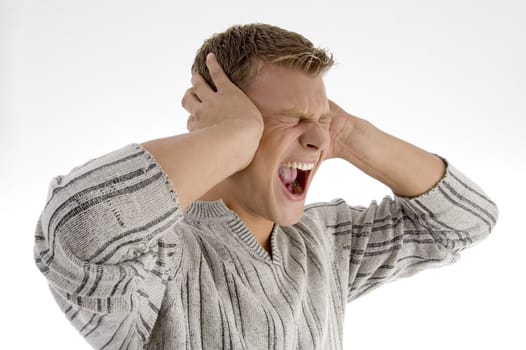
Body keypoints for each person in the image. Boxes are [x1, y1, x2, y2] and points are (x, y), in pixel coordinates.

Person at [34, 23, 498, 350]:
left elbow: (466, 221)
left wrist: (350, 134)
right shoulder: (158, 257)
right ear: (226, 120)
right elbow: (76, 232)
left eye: (322, 119)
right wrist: (232, 137)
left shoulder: (326, 244)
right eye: (292, 120)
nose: (317, 139)